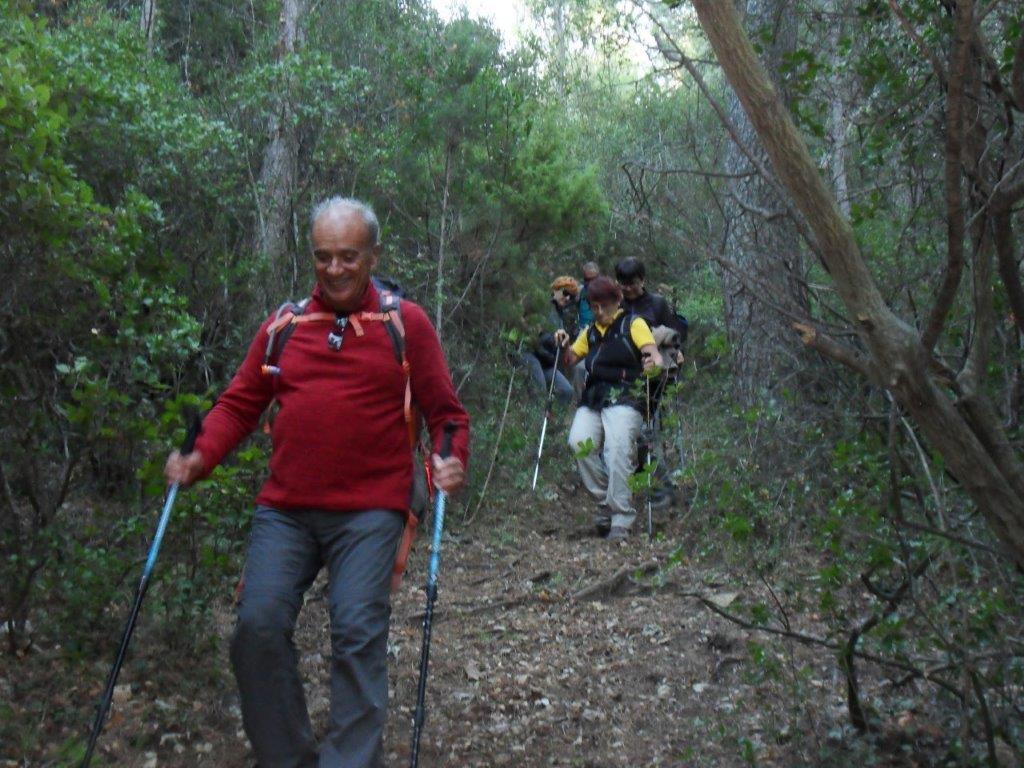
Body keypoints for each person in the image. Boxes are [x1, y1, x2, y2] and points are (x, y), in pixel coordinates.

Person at [164, 197, 470, 768]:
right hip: (286, 509)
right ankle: (288, 758)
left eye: (348, 257)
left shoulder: (406, 324)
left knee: (356, 629)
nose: (334, 270)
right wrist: (199, 455)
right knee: (256, 628)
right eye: (323, 257)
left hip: (372, 509)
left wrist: (450, 461)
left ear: (372, 256)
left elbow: (446, 414)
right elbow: (237, 406)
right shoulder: (284, 326)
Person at [554, 276, 663, 541]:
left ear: (617, 302)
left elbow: (653, 354)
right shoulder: (590, 331)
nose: (600, 312)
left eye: (604, 306)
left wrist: (653, 363)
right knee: (579, 442)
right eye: (594, 307)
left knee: (617, 449)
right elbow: (570, 359)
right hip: (595, 396)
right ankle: (606, 501)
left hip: (627, 394)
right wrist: (564, 342)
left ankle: (621, 518)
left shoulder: (633, 324)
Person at [519, 276, 580, 403]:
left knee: (566, 391)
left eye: (571, 297)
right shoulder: (540, 304)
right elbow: (524, 322)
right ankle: (535, 420)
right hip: (529, 353)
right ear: (556, 289)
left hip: (547, 361)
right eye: (565, 293)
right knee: (539, 390)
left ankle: (555, 420)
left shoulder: (559, 315)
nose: (568, 298)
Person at [614, 257, 687, 345]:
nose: (628, 288)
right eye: (624, 284)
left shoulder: (657, 303)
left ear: (642, 280)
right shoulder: (614, 304)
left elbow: (673, 334)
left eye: (632, 283)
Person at [577, 261, 600, 328]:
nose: (591, 283)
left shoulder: (605, 292)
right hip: (583, 331)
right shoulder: (580, 291)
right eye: (587, 280)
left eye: (593, 279)